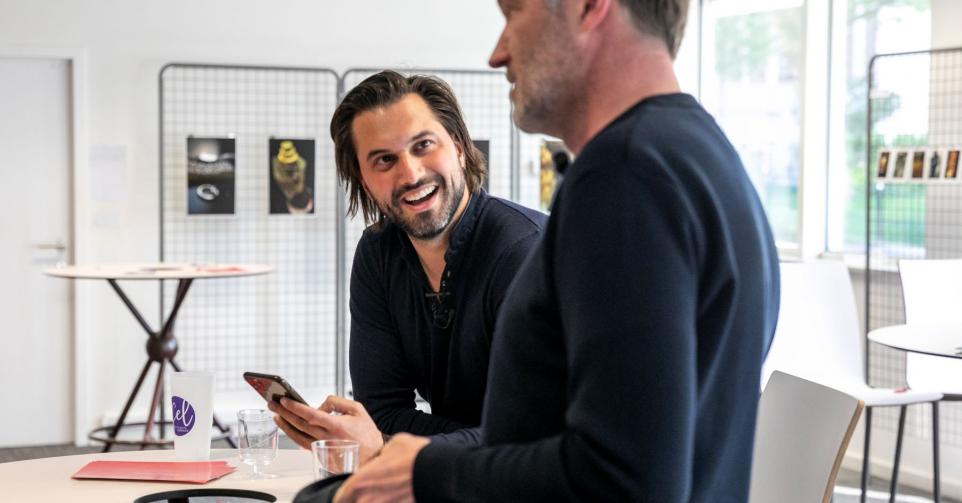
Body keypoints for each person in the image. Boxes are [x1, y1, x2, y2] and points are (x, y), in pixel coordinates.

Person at [330, 0, 779, 501]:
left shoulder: (625, 178)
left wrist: (427, 469)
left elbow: (622, 478)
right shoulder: (693, 152)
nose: (498, 54)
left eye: (514, 13)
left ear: (589, 7)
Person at [269, 71, 547, 465]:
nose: (411, 174)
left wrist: (387, 448)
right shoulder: (378, 254)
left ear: (460, 147)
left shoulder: (524, 252)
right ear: (363, 181)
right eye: (384, 160)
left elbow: (535, 436)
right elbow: (382, 412)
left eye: (424, 145)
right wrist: (384, 441)